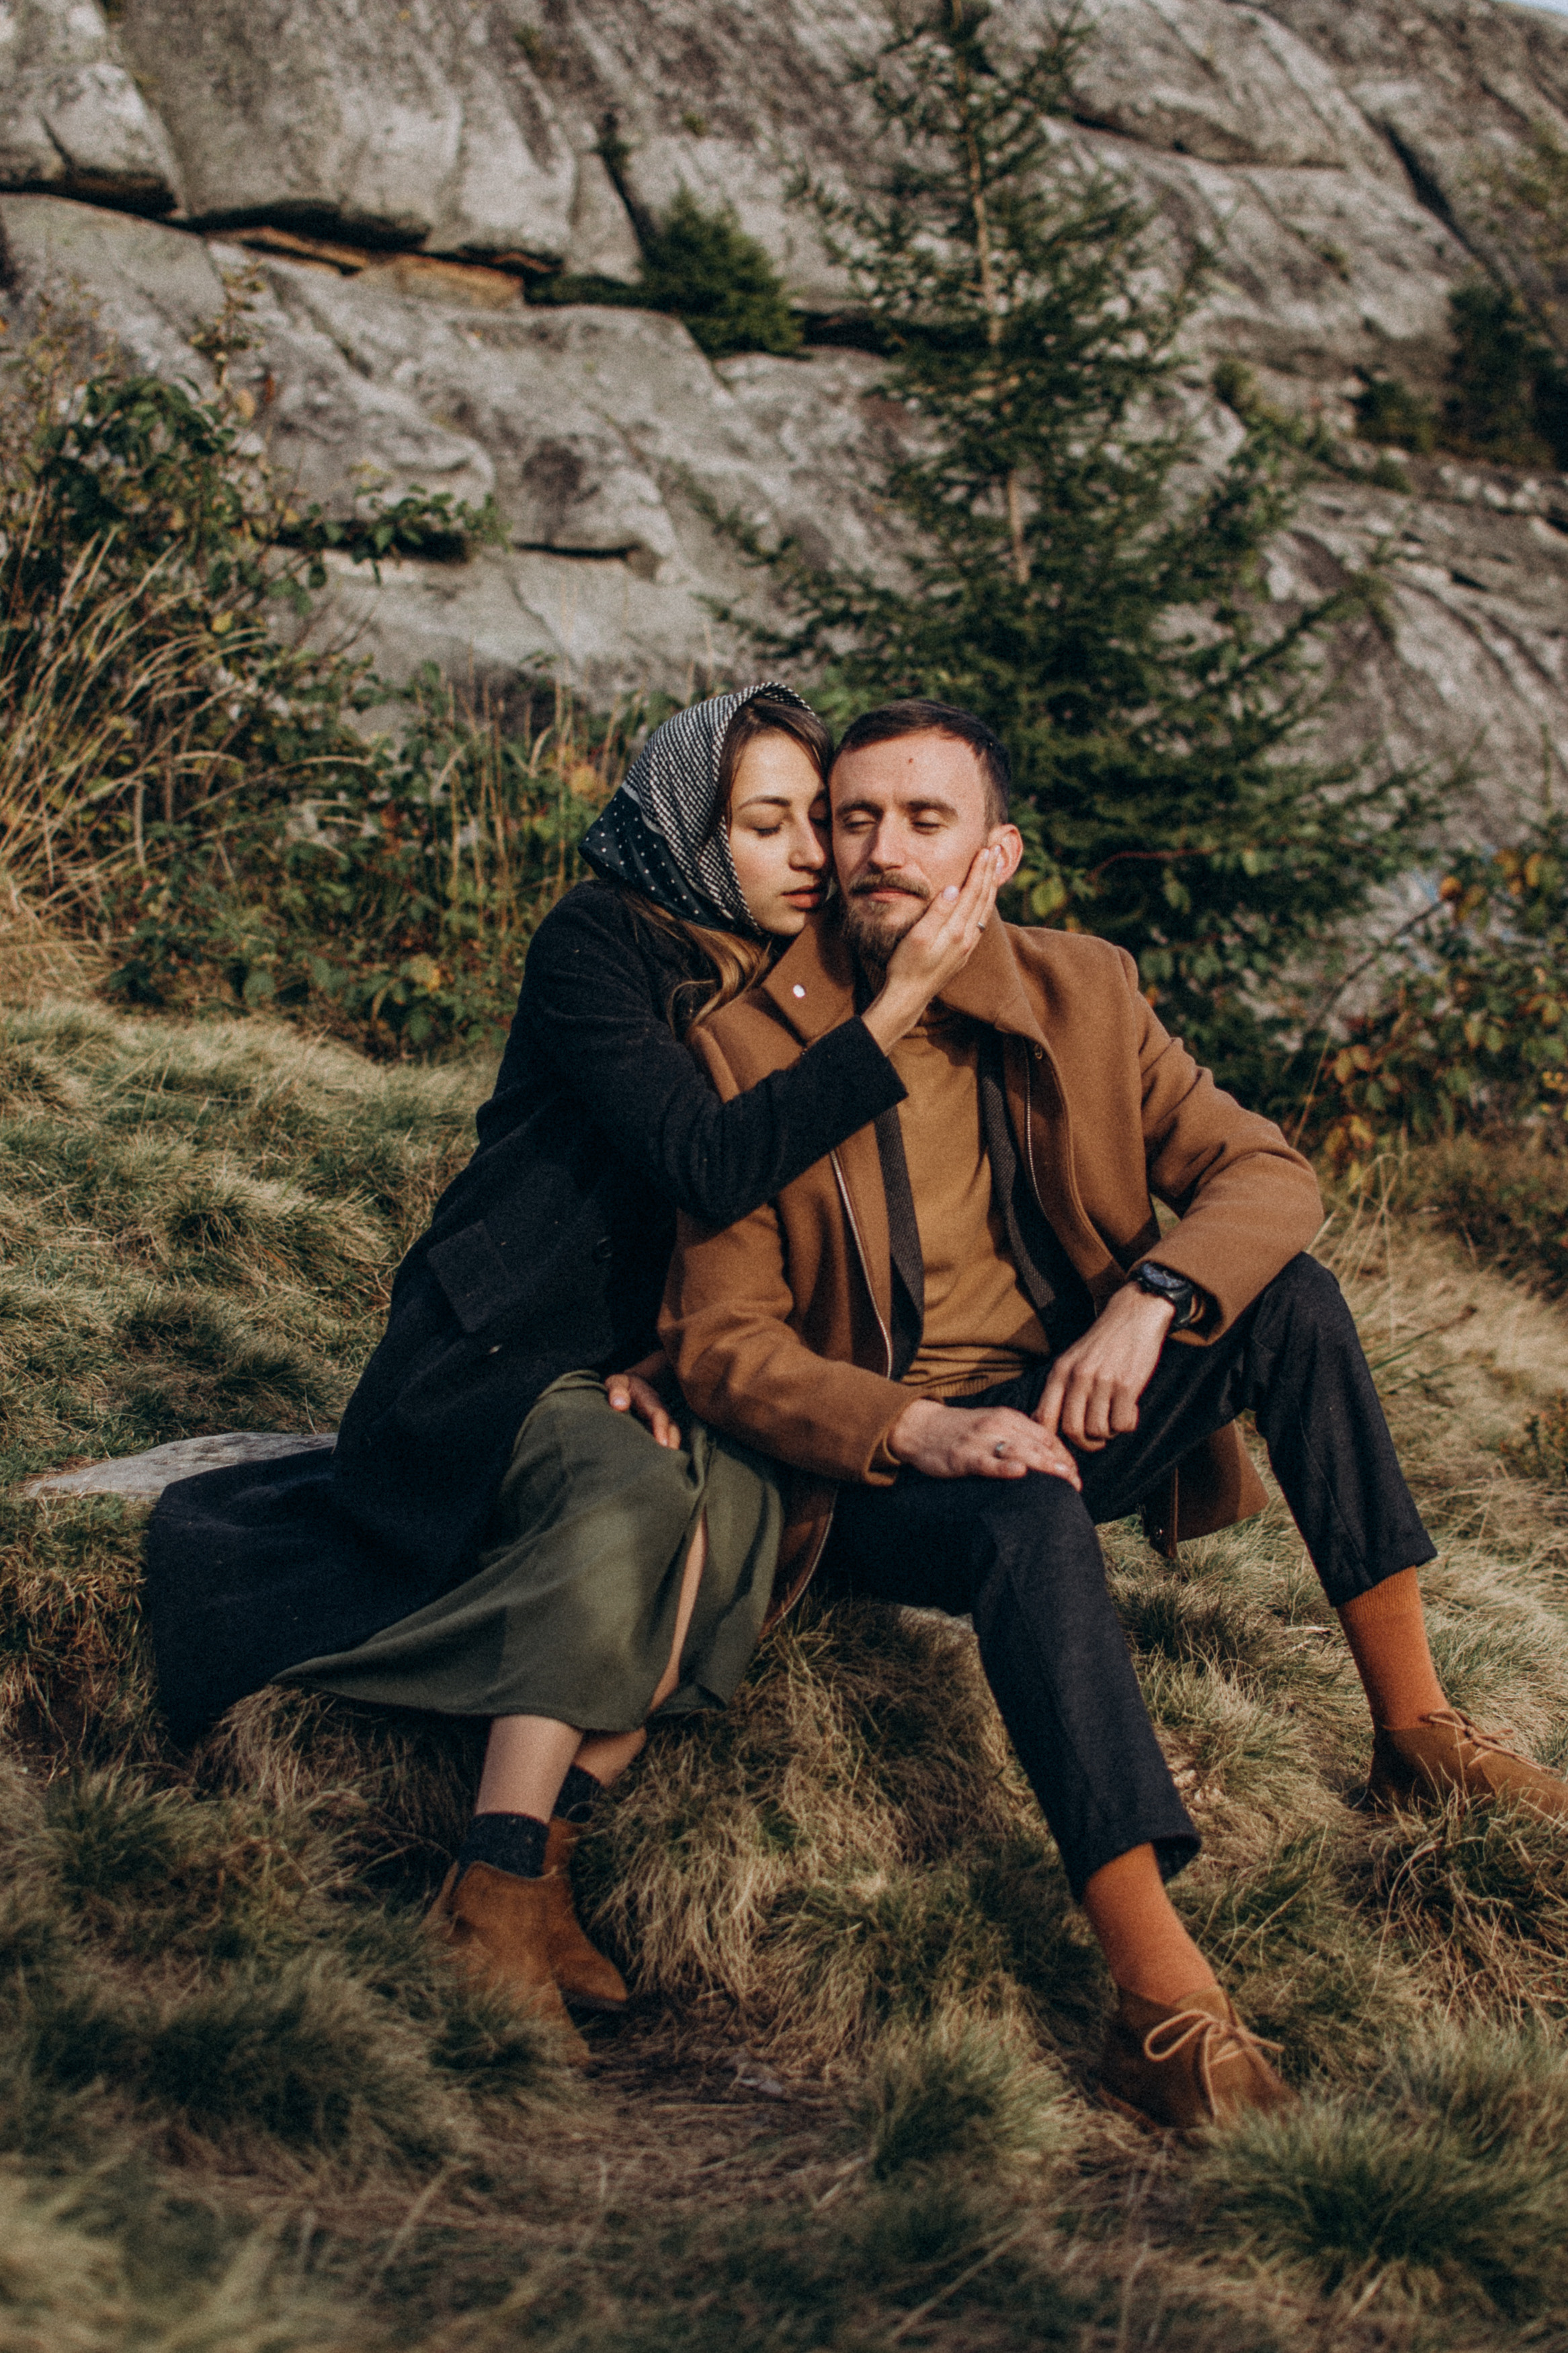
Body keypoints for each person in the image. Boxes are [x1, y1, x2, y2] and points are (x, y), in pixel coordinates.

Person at [660, 696, 1568, 2132]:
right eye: (854, 819)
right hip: (881, 1470)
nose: (880, 848)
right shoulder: (748, 1045)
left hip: (1073, 1394)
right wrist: (920, 1430)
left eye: (924, 819)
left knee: (1297, 1300)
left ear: (995, 853)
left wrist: (1152, 1298)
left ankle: (1415, 1730)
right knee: (1023, 1506)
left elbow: (1268, 1173)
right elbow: (722, 1346)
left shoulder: (1085, 989)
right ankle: (1157, 1997)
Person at [145, 683, 999, 2059]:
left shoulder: (785, 968)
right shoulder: (597, 940)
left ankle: (536, 1873)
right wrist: (893, 1015)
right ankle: (488, 1879)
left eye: (809, 825)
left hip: (640, 1358)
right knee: (630, 1501)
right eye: (762, 822)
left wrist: (670, 1349)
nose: (805, 855)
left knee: (734, 1515)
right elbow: (706, 1162)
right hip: (495, 1352)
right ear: (685, 824)